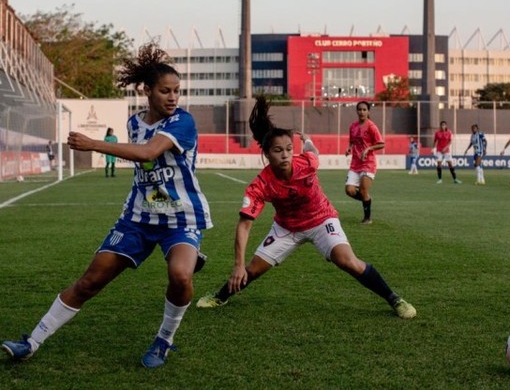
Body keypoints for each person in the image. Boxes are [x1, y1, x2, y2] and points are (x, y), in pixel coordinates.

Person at [1, 43, 213, 368]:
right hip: (138, 219)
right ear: (147, 91)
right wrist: (150, 201)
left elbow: (147, 154)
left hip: (181, 218)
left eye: (177, 91)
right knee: (90, 281)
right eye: (165, 91)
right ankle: (30, 342)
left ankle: (163, 341)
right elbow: (147, 171)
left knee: (181, 276)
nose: (173, 98)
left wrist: (93, 145)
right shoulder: (134, 123)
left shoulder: (182, 122)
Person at [196, 96, 416, 319]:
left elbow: (311, 151)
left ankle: (394, 298)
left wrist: (308, 140)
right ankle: (220, 296)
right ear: (266, 153)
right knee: (252, 270)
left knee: (348, 262)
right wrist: (238, 265)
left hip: (322, 219)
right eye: (278, 150)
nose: (285, 155)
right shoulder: (260, 185)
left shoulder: (308, 163)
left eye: (289, 149)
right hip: (287, 228)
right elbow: (244, 225)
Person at [344, 101, 385, 224]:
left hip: (368, 163)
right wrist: (349, 148)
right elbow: (352, 141)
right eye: (359, 109)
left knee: (363, 190)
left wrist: (368, 149)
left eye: (364, 110)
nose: (362, 112)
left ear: (368, 112)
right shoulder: (353, 126)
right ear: (357, 111)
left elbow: (382, 144)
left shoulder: (371, 126)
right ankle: (367, 199)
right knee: (349, 190)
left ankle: (367, 218)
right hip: (355, 163)